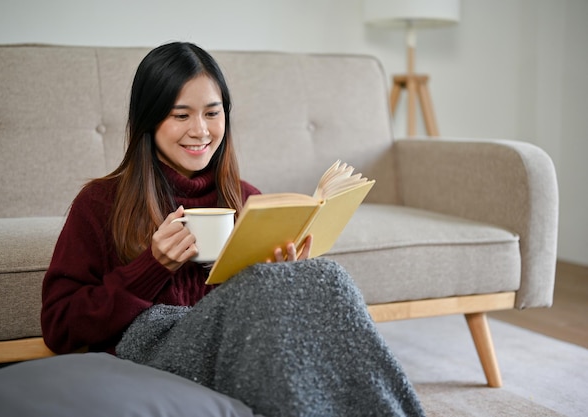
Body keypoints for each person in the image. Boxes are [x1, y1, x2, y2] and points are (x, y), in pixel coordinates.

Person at [41, 42, 425, 417]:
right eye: (180, 115)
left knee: (325, 276)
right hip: (153, 346)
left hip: (238, 345)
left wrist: (281, 275)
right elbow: (59, 326)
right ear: (149, 119)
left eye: (212, 113)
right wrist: (151, 267)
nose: (201, 130)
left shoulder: (244, 198)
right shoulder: (101, 203)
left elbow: (249, 310)